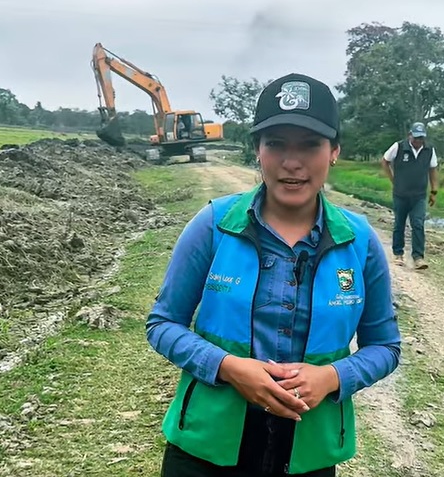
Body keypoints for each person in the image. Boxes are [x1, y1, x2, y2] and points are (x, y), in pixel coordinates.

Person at [146, 73, 402, 476]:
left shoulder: (360, 241)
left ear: (334, 151)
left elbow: (385, 346)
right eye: (276, 143)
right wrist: (227, 367)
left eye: (310, 144)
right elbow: (162, 324)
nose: (292, 162)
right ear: (258, 150)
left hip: (308, 450)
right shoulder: (213, 225)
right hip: (204, 448)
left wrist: (333, 376)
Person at [380, 122, 438, 270]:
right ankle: (398, 254)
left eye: (421, 138)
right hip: (400, 194)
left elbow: (432, 170)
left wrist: (434, 191)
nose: (418, 141)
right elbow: (385, 161)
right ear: (410, 135)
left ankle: (418, 257)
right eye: (416, 137)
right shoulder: (399, 147)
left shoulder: (429, 150)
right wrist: (393, 180)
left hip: (419, 195)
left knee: (418, 224)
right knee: (399, 224)